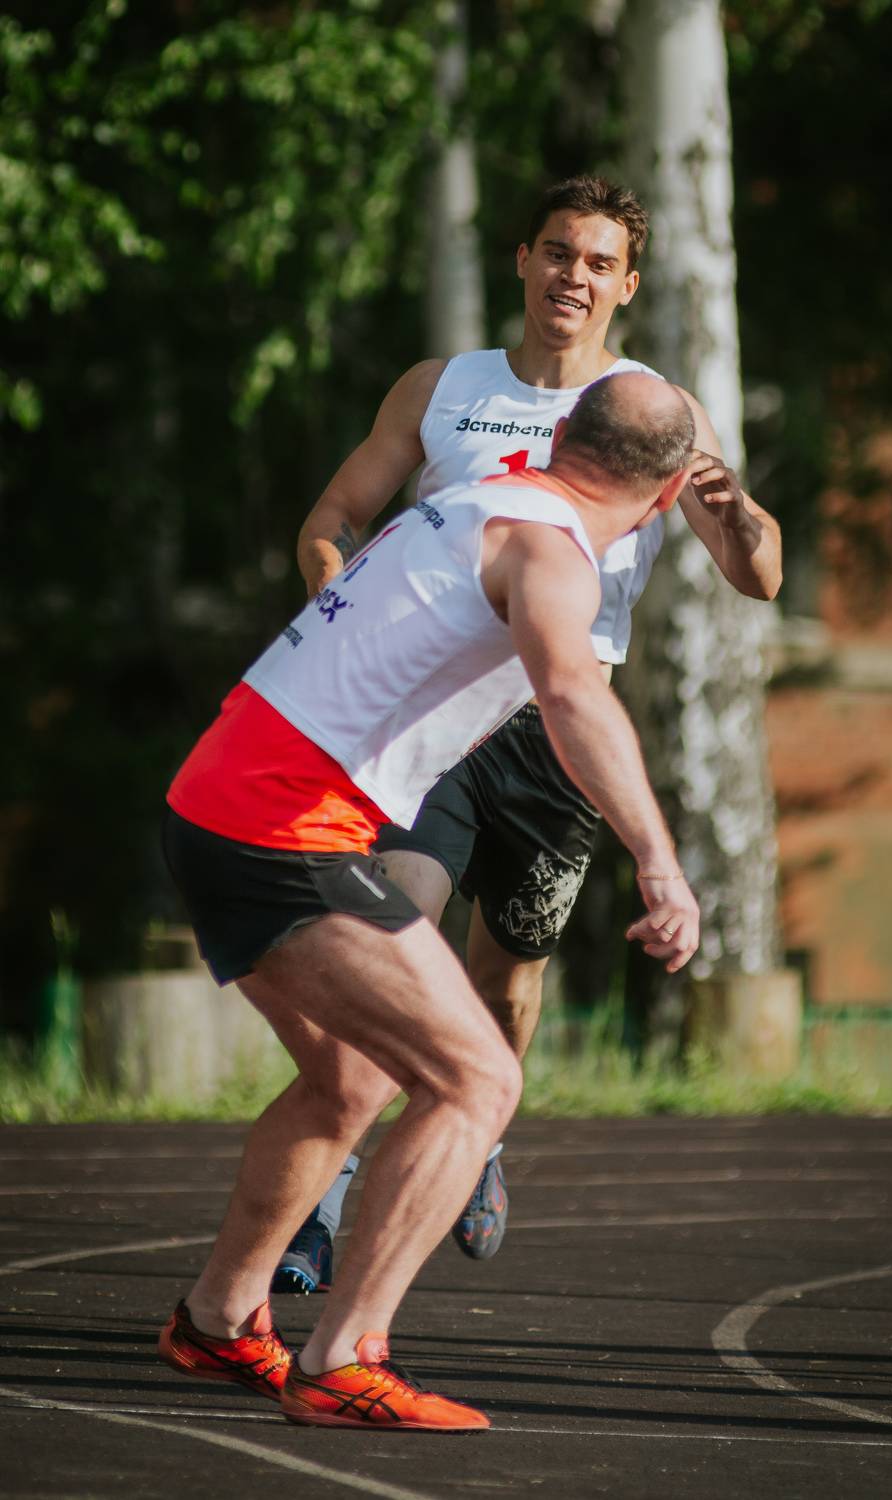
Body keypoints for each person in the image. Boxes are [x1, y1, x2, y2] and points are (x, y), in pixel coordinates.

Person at [271, 174, 783, 1294]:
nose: (573, 278)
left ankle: (482, 1131)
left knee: (505, 981)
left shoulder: (657, 412)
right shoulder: (442, 386)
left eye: (599, 264)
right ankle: (323, 1200)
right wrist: (337, 599)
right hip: (434, 715)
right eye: (558, 252)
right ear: (522, 260)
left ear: (627, 286)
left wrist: (740, 512)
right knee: (389, 941)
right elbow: (331, 518)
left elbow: (757, 576)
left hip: (560, 733)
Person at [158, 372, 700, 1430]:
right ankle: (341, 1361)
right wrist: (659, 861)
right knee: (477, 1079)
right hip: (279, 829)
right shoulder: (549, 550)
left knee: (352, 1077)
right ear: (670, 493)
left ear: (564, 433)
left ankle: (217, 1322)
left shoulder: (470, 500)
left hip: (214, 801)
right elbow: (573, 693)